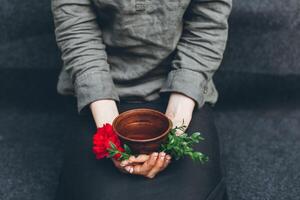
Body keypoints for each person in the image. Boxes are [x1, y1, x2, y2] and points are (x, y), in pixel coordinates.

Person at [51, 0, 232, 199]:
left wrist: (176, 125)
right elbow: (77, 30)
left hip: (181, 90)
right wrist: (110, 137)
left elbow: (208, 23)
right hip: (97, 94)